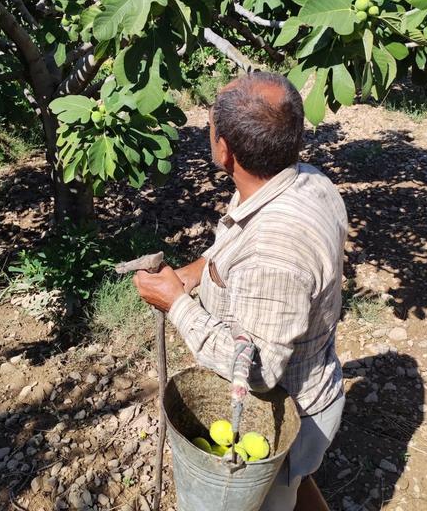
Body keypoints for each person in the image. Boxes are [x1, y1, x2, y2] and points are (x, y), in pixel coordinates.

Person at [133, 72, 348, 510]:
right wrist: (199, 272)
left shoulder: (274, 251)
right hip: (309, 391)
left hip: (282, 414)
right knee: (293, 482)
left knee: (276, 491)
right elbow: (237, 244)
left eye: (211, 124)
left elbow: (258, 371)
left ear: (224, 149)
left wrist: (176, 304)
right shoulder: (302, 180)